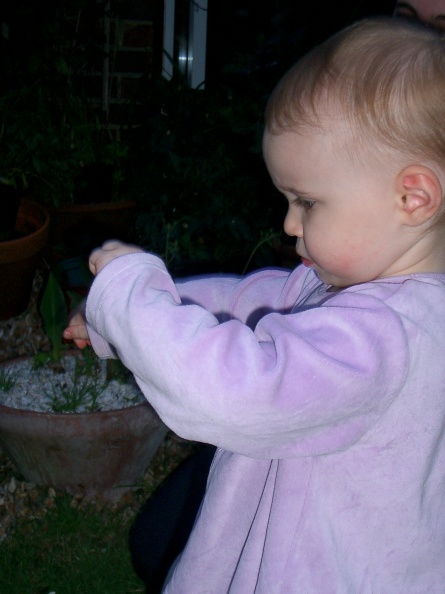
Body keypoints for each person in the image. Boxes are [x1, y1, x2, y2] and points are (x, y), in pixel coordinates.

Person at [64, 17, 445, 593]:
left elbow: (233, 390)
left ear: (412, 198)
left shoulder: (381, 341)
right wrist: (116, 318)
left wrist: (128, 295)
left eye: (307, 202)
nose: (289, 222)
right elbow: (244, 305)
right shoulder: (358, 296)